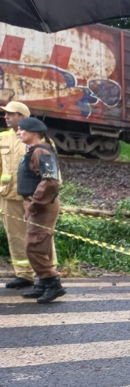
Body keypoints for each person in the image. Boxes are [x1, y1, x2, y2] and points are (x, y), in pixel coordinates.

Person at [15, 117, 66, 303]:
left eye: (22, 130)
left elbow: (50, 181)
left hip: (42, 206)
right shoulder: (32, 151)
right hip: (35, 205)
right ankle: (44, 282)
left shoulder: (41, 152)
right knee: (35, 245)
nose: (18, 132)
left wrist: (34, 203)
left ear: (34, 133)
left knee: (34, 245)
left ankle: (53, 284)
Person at [1, 101, 35, 289]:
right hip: (8, 196)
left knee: (40, 236)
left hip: (32, 198)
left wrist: (39, 198)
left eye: (10, 114)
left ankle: (48, 277)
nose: (6, 117)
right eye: (5, 114)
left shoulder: (38, 138)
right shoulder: (3, 138)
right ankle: (24, 275)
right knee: (14, 236)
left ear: (22, 116)